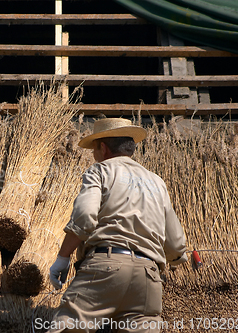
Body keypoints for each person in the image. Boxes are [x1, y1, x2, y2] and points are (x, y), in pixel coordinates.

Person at [48, 118, 188, 333]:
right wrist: (177, 258)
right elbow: (176, 244)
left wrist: (63, 258)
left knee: (68, 328)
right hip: (148, 277)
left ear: (102, 148)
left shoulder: (100, 171)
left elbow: (85, 217)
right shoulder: (157, 182)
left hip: (106, 267)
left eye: (94, 149)